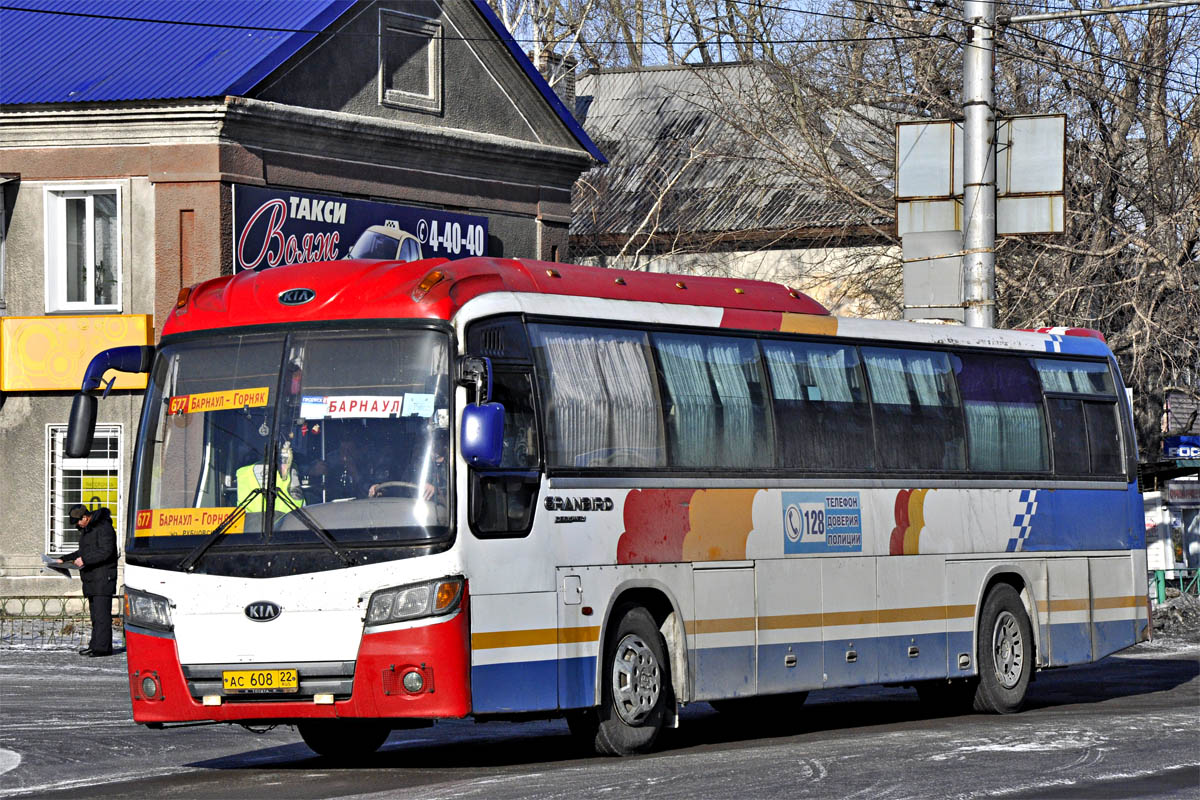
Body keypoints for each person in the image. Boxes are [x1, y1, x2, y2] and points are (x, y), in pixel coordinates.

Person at [59, 504, 118, 657]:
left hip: (103, 578)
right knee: (95, 616)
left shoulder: (104, 527)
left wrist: (84, 559)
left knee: (102, 616)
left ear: (85, 517)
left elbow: (106, 552)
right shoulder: (88, 529)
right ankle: (95, 645)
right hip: (92, 579)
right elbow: (83, 551)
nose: (77, 525)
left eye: (78, 522)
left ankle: (103, 649)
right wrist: (63, 559)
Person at [236, 440, 305, 512]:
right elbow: (302, 506)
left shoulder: (243, 473)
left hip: (251, 522)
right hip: (293, 521)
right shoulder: (292, 469)